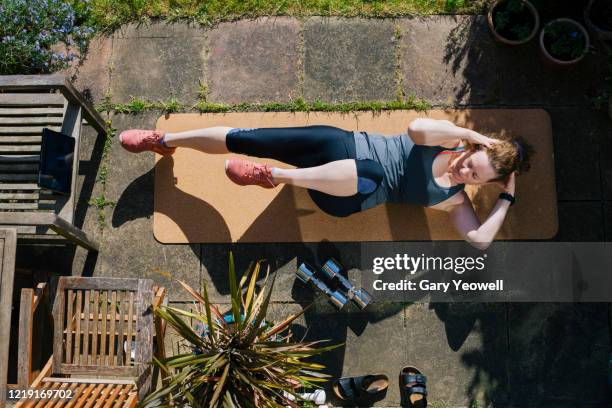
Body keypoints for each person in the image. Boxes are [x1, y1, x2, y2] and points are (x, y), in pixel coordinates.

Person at [119, 119, 532, 250]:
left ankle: (272, 176)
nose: (463, 170)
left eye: (474, 175)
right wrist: (470, 135)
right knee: (249, 138)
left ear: (485, 184)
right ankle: (164, 142)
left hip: (347, 195)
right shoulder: (450, 139)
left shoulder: (454, 200)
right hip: (338, 147)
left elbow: (478, 240)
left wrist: (507, 198)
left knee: (368, 172)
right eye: (468, 160)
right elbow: (415, 127)